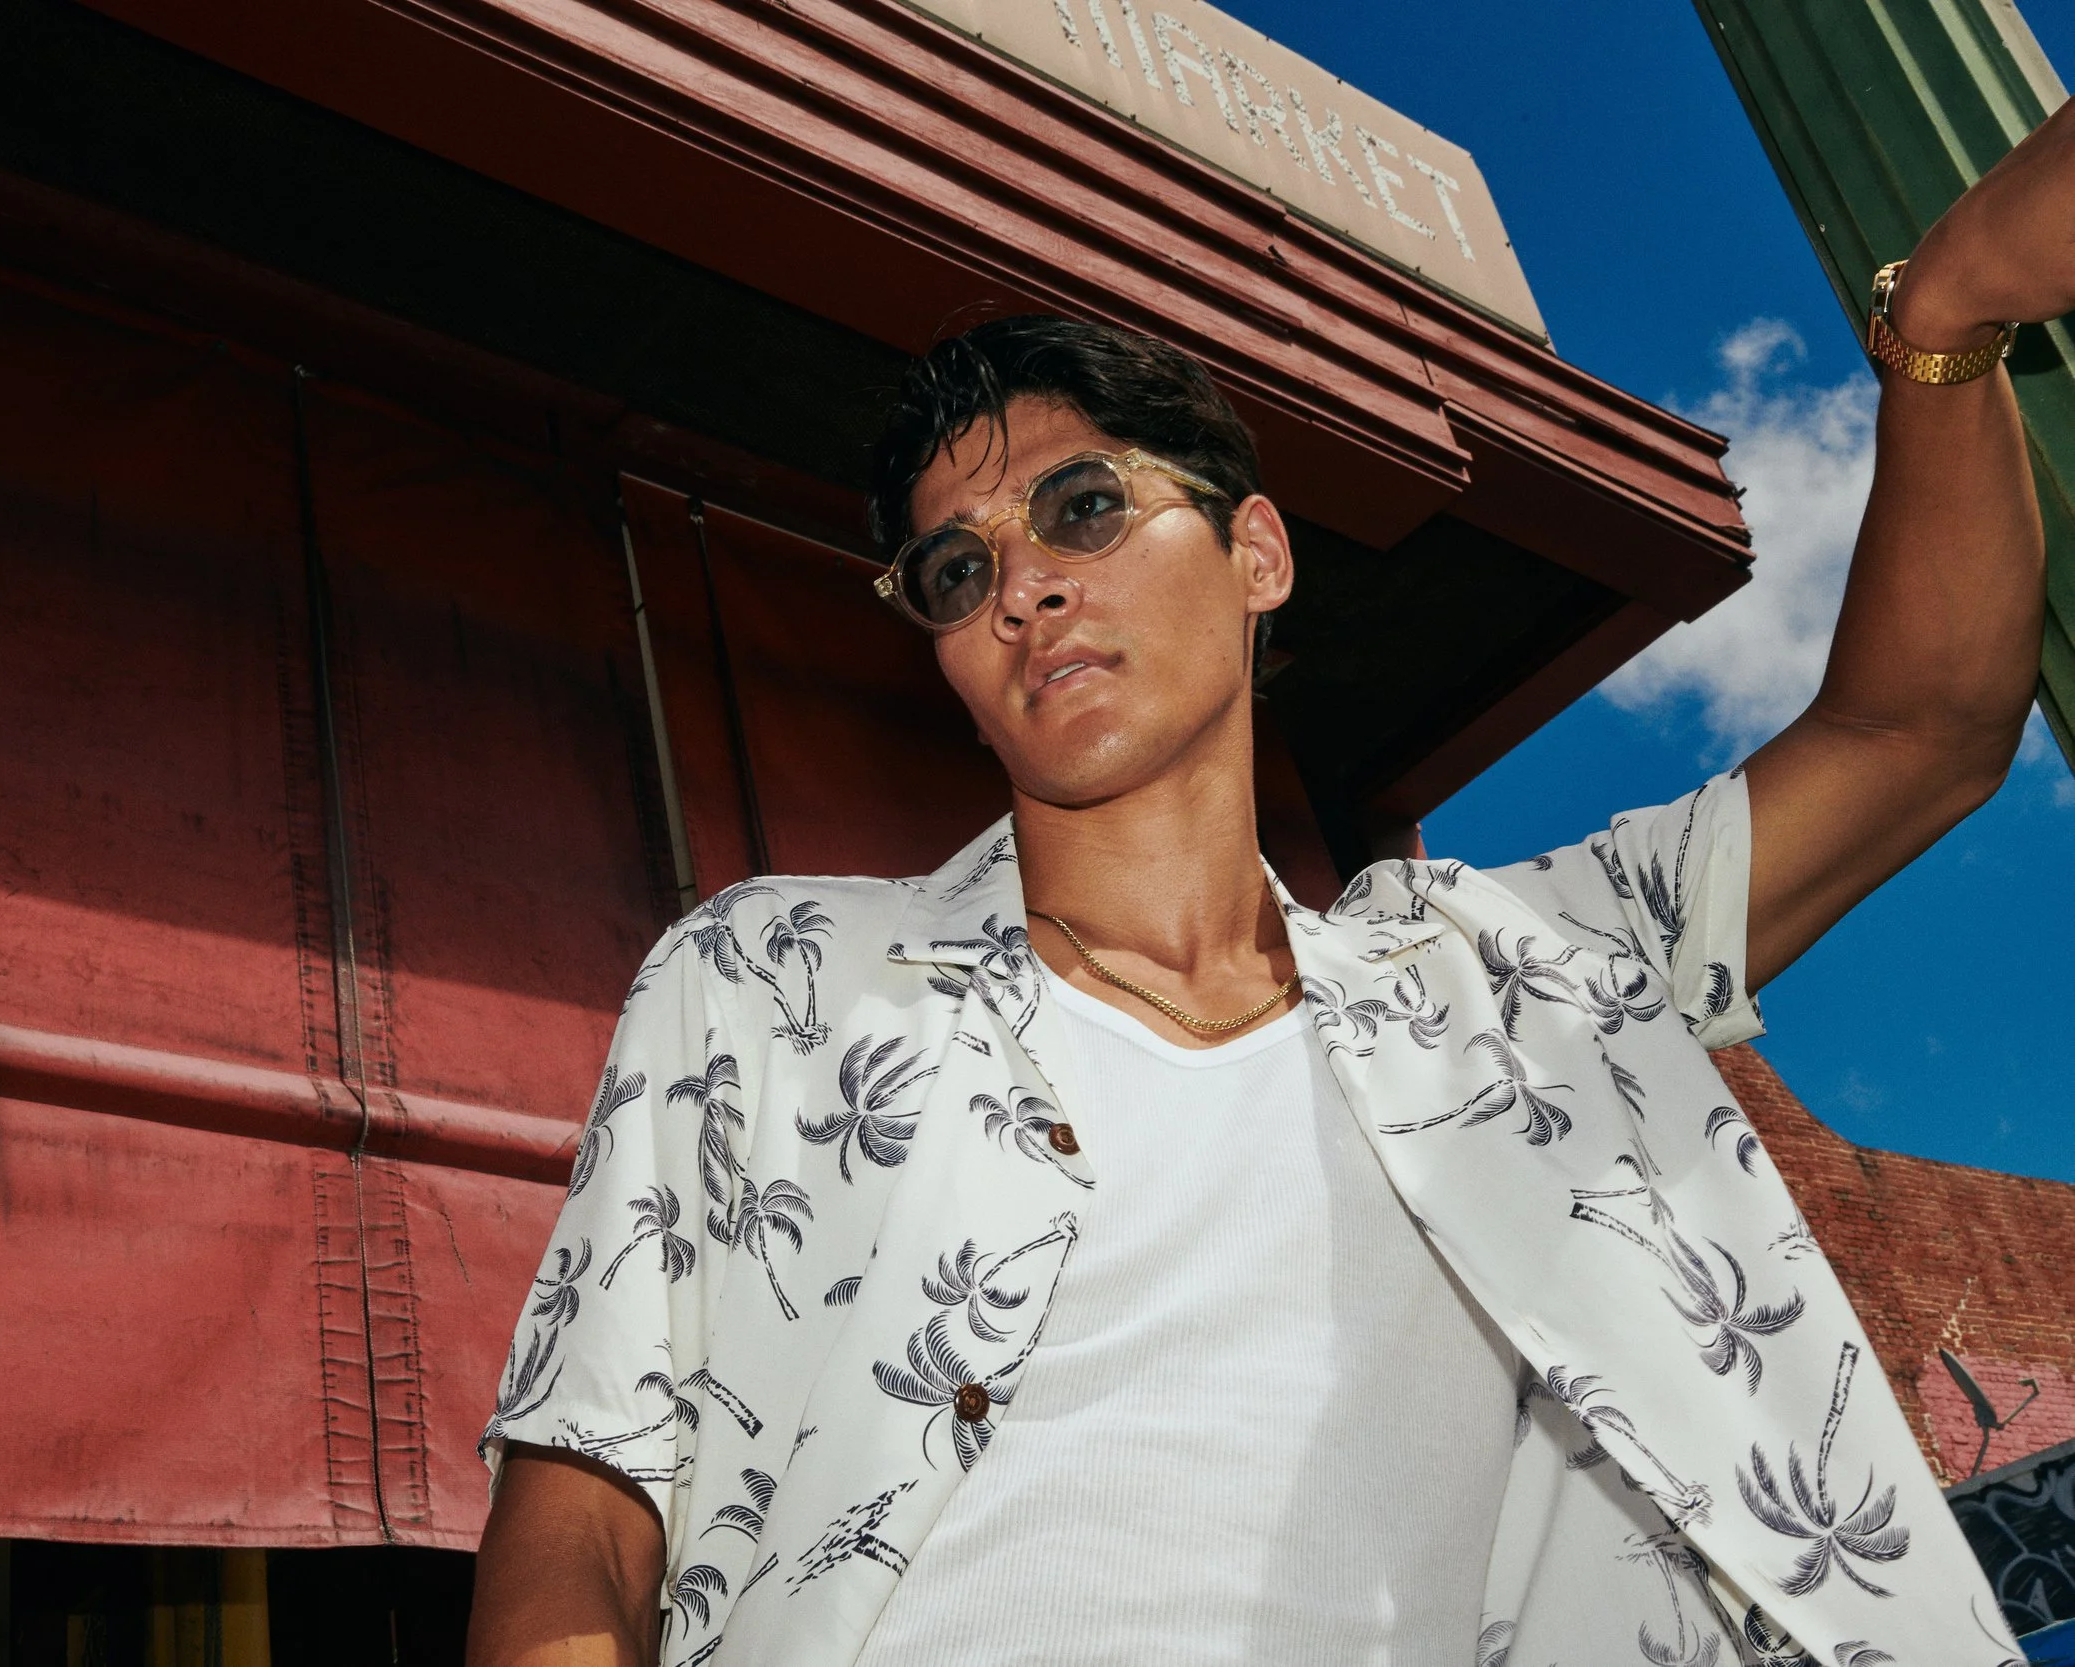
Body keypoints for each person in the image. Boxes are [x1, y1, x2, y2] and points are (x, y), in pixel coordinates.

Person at [464, 97, 2074, 1667]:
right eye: (957, 570)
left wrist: (1951, 312)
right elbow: (588, 1506)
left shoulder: (1516, 982)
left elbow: (1920, 730)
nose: (1021, 584)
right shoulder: (770, 980)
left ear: (1257, 554)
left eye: (1081, 506)